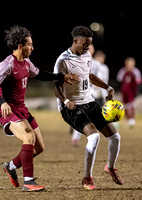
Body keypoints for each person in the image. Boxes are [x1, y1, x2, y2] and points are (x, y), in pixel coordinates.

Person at [0, 25, 79, 192]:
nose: (32, 47)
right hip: (7, 110)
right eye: (30, 44)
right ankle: (28, 182)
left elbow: (41, 74)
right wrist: (2, 103)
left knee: (39, 148)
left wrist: (62, 76)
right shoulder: (7, 64)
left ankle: (10, 166)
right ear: (20, 46)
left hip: (22, 108)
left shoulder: (26, 63)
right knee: (28, 136)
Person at [54, 25, 124, 190]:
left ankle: (110, 167)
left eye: (89, 44)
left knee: (115, 137)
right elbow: (56, 86)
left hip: (90, 102)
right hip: (71, 107)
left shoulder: (86, 56)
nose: (87, 47)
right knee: (94, 137)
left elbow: (90, 76)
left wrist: (108, 88)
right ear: (75, 40)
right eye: (85, 43)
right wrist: (65, 102)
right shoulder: (63, 60)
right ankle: (87, 178)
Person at [116, 57, 142, 128]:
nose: (130, 65)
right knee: (125, 105)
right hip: (124, 92)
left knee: (132, 105)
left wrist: (136, 92)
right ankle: (128, 119)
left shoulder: (136, 71)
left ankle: (132, 119)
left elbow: (138, 83)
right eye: (128, 63)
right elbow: (119, 82)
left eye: (131, 63)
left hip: (132, 92)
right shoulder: (122, 71)